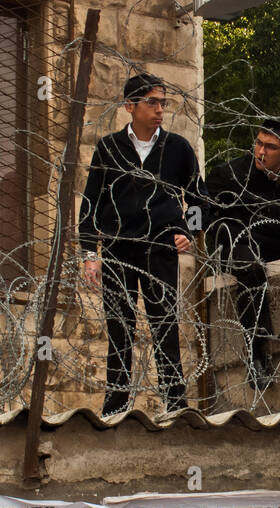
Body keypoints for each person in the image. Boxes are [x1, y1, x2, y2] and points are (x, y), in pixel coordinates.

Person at [79, 73, 202, 416]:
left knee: (165, 326)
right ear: (129, 106)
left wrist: (188, 232)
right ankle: (115, 405)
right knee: (120, 328)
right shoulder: (109, 148)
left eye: (163, 102)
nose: (160, 109)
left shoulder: (177, 148)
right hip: (118, 250)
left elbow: (198, 199)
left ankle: (174, 403)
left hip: (160, 250)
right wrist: (90, 255)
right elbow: (90, 205)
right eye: (152, 102)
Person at [205, 118, 280, 393]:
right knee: (250, 265)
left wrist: (273, 232)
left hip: (272, 244)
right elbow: (202, 208)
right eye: (258, 143)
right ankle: (257, 350)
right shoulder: (232, 173)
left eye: (270, 147)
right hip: (238, 244)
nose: (261, 152)